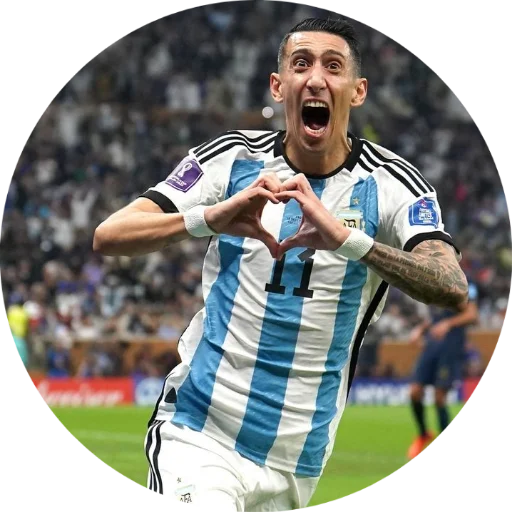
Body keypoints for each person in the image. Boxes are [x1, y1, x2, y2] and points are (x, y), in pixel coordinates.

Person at [93, 17, 469, 510]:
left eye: (333, 67)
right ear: (278, 85)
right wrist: (208, 218)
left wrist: (349, 241)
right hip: (200, 430)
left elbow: (450, 284)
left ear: (357, 91)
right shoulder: (232, 158)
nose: (316, 78)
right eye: (301, 64)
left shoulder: (393, 184)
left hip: (298, 460)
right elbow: (110, 234)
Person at [406, 281, 479, 460]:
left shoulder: (465, 283)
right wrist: (421, 329)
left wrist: (448, 324)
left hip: (451, 347)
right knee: (415, 391)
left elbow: (472, 315)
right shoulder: (435, 278)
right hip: (432, 344)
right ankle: (423, 434)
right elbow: (436, 317)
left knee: (439, 396)